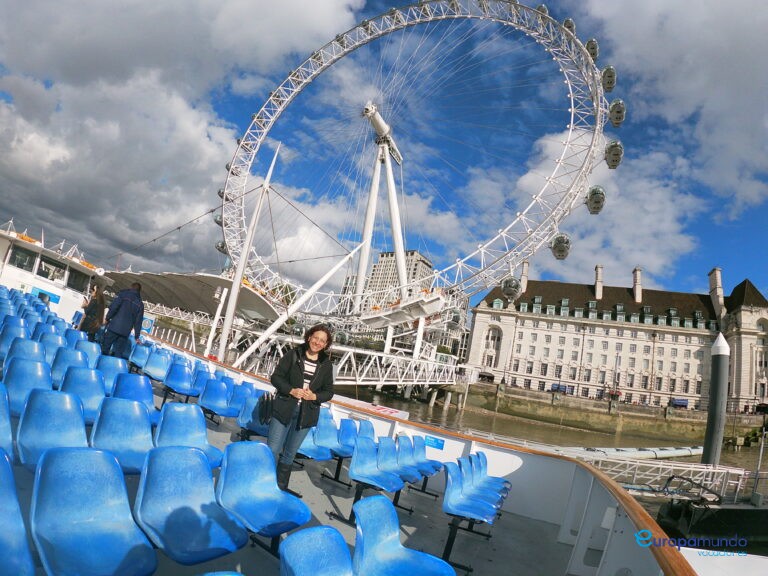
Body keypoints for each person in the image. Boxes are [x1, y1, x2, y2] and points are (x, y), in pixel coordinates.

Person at [267, 324, 335, 491]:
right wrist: (291, 390)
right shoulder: (293, 355)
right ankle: (263, 483)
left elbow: (329, 391)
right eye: (316, 338)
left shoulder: (326, 365)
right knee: (272, 449)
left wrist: (315, 396)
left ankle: (280, 487)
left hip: (306, 413)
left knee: (290, 453)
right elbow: (276, 377)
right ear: (309, 337)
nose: (318, 343)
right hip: (284, 408)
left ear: (326, 345)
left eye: (322, 341)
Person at [101, 282, 144, 358]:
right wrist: (137, 336)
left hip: (114, 327)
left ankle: (101, 364)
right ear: (139, 291)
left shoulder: (123, 295)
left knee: (105, 347)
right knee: (118, 352)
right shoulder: (140, 304)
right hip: (125, 332)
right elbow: (138, 322)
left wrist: (107, 318)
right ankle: (115, 368)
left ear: (131, 287)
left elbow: (114, 308)